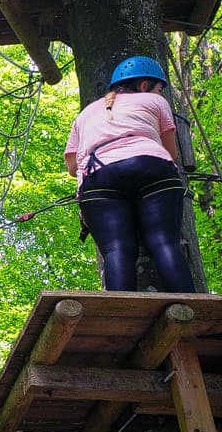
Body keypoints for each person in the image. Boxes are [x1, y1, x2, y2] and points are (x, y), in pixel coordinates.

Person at [64, 55, 196, 293]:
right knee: (164, 242)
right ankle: (190, 305)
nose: (159, 94)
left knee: (116, 249)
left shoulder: (85, 114)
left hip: (99, 175)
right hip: (152, 167)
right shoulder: (153, 101)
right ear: (144, 85)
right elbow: (171, 151)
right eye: (159, 89)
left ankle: (119, 316)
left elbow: (72, 167)